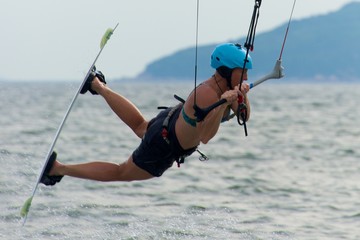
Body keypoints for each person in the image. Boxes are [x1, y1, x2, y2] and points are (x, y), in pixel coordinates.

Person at [40, 43, 252, 186]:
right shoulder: (207, 94)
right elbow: (206, 136)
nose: (246, 76)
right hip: (165, 144)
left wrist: (241, 96)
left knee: (141, 126)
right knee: (121, 172)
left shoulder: (224, 87)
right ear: (226, 70)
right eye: (242, 72)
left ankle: (96, 84)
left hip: (168, 124)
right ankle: (57, 168)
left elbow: (244, 117)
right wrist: (225, 102)